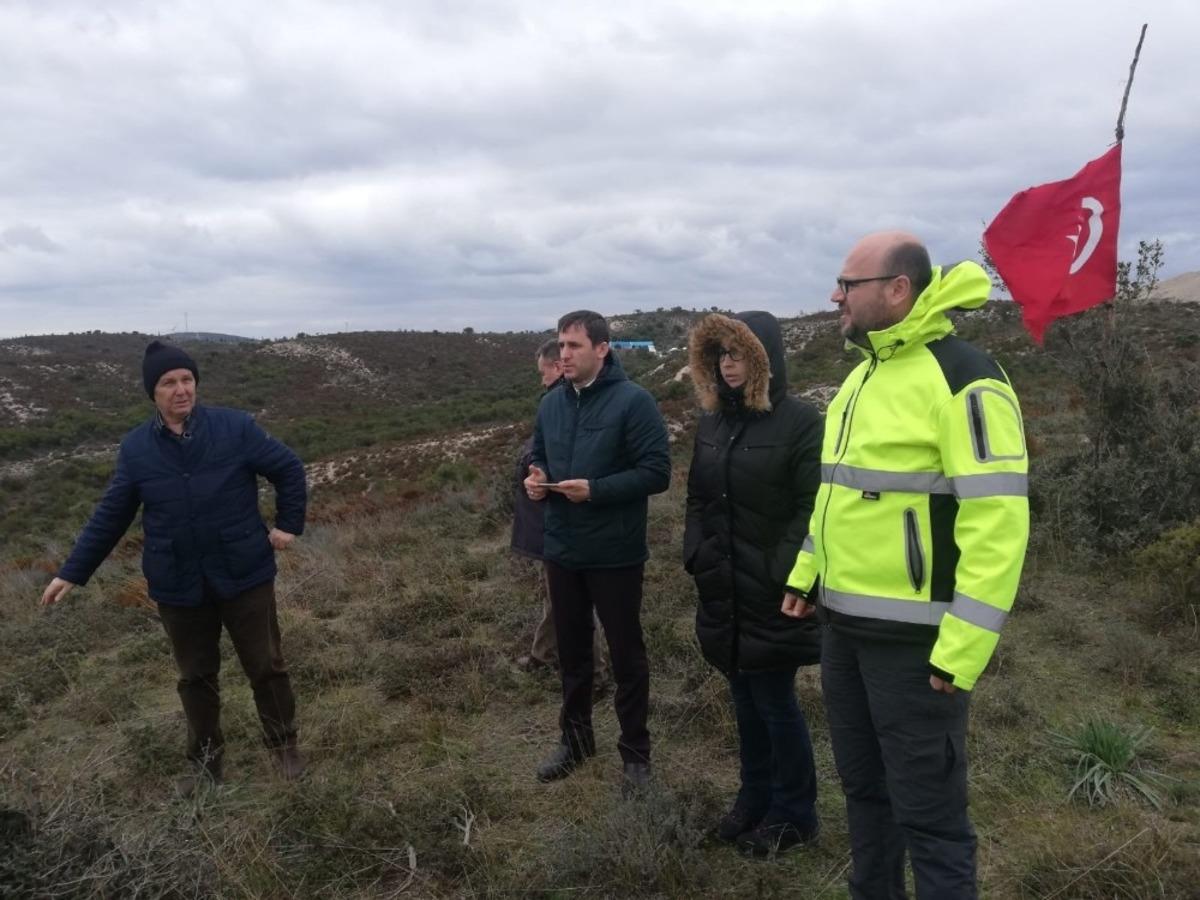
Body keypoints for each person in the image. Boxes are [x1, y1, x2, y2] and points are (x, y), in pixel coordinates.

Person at [781, 232, 1029, 899]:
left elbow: (998, 521)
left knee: (932, 820)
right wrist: (808, 575)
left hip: (919, 650)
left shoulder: (965, 378)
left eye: (848, 283)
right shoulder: (861, 378)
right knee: (864, 795)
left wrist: (963, 648)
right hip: (843, 631)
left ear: (897, 290)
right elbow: (838, 497)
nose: (835, 295)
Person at [40, 340, 309, 795]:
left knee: (266, 666)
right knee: (195, 677)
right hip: (178, 584)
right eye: (169, 383)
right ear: (153, 393)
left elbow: (288, 468)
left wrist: (287, 525)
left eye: (187, 380)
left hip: (244, 573)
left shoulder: (235, 428)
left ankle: (283, 747)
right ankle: (206, 764)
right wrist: (72, 570)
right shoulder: (137, 449)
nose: (181, 389)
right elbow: (112, 514)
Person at [683, 311, 823, 857]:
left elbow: (815, 508)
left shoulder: (800, 422)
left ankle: (796, 813)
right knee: (743, 696)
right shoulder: (714, 421)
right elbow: (697, 495)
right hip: (723, 587)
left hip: (773, 590)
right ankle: (754, 797)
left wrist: (786, 573)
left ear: (763, 358)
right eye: (720, 355)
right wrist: (695, 551)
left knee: (774, 700)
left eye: (738, 354)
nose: (728, 365)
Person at [524, 310, 670, 794]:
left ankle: (635, 756)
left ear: (602, 349)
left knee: (626, 655)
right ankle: (576, 740)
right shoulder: (552, 405)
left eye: (574, 346)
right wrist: (537, 476)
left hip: (614, 552)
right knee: (572, 653)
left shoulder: (635, 403)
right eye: (561, 346)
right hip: (562, 549)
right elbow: (537, 452)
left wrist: (598, 490)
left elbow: (657, 472)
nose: (564, 354)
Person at [512, 339, 610, 688]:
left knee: (572, 598)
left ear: (557, 367)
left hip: (561, 522)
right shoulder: (554, 404)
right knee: (555, 594)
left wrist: (535, 469)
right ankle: (546, 653)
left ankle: (594, 674)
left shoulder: (572, 407)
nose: (541, 380)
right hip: (549, 521)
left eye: (543, 373)